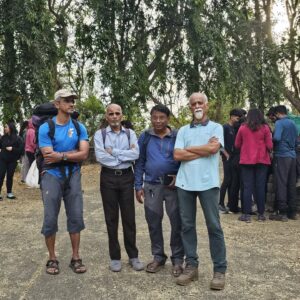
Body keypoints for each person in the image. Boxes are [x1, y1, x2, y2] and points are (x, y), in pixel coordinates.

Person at [173, 92, 227, 290]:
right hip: (185, 184)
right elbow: (177, 154)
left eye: (200, 103)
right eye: (193, 103)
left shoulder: (216, 127)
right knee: (187, 226)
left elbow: (214, 150)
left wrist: (195, 150)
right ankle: (192, 266)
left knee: (214, 226)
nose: (197, 106)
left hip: (208, 183)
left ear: (206, 105)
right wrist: (203, 148)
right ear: (190, 107)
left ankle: (219, 270)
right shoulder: (183, 130)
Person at [38, 89, 89, 275]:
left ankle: (76, 257)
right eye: (67, 100)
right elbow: (47, 156)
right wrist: (70, 156)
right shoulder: (46, 128)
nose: (71, 103)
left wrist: (61, 156)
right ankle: (52, 258)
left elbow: (84, 154)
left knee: (76, 216)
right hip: (51, 175)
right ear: (57, 104)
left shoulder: (78, 127)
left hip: (73, 174)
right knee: (50, 218)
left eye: (72, 100)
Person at [134, 104, 184, 277]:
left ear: (168, 119)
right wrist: (138, 185)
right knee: (153, 222)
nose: (158, 121)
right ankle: (158, 256)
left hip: (173, 186)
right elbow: (139, 162)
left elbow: (184, 160)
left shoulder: (178, 136)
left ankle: (177, 259)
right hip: (152, 185)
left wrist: (180, 176)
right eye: (154, 117)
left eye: (161, 117)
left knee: (177, 222)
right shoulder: (145, 137)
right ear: (151, 118)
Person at [94, 103, 144, 272]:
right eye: (111, 113)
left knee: (129, 218)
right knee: (111, 218)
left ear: (122, 115)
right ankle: (115, 257)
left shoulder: (130, 133)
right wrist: (124, 155)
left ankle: (133, 256)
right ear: (106, 116)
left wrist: (113, 152)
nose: (114, 116)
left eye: (117, 113)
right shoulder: (100, 134)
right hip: (107, 177)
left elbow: (136, 154)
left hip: (126, 178)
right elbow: (101, 157)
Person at [235, 108, 273, 222]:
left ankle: (246, 215)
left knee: (247, 187)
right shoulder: (265, 128)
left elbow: (237, 144)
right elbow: (270, 146)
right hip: (262, 161)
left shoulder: (242, 128)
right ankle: (261, 214)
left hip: (246, 161)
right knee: (260, 187)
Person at [270, 105, 298, 221]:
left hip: (282, 155)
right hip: (293, 156)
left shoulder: (279, 123)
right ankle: (293, 212)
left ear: (277, 113)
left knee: (281, 183)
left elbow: (276, 138)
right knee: (291, 183)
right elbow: (296, 139)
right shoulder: (293, 124)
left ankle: (282, 212)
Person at [219, 109, 242, 213]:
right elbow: (219, 143)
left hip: (234, 157)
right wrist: (226, 154)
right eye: (237, 118)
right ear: (231, 116)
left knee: (233, 181)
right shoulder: (224, 127)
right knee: (227, 180)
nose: (238, 120)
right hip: (226, 157)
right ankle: (220, 203)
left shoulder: (235, 128)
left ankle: (230, 204)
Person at [0, 122, 24, 200]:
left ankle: (9, 193)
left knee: (10, 176)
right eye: (4, 127)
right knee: (1, 175)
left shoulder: (18, 138)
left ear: (10, 128)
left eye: (6, 127)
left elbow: (21, 150)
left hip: (12, 161)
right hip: (2, 159)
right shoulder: (3, 137)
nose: (4, 128)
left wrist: (12, 149)